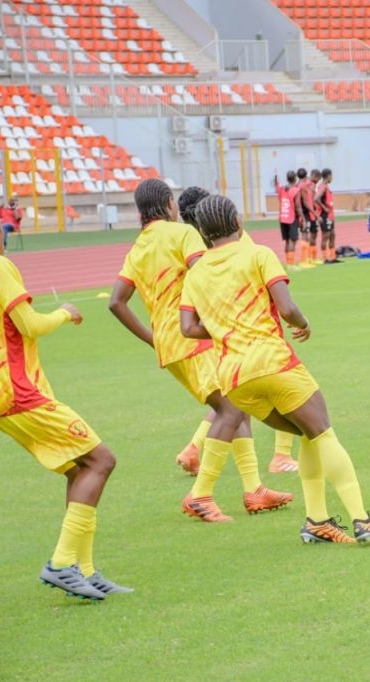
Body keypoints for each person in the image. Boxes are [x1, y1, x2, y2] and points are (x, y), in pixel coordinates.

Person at [180, 194, 370, 544]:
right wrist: (305, 324)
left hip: (234, 378)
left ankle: (317, 522)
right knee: (323, 432)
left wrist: (224, 329)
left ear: (203, 234)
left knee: (308, 433)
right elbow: (287, 308)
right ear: (237, 222)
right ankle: (361, 520)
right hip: (272, 362)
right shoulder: (259, 254)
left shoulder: (196, 272)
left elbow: (188, 328)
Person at [0, 197, 131, 600]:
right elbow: (29, 323)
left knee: (79, 468)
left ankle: (85, 569)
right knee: (101, 460)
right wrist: (65, 312)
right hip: (19, 391)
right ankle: (62, 564)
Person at [109, 179, 293, 523]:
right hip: (195, 338)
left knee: (235, 405)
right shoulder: (181, 234)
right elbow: (207, 274)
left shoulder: (137, 248)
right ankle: (200, 495)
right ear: (167, 204)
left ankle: (254, 489)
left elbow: (116, 303)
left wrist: (154, 338)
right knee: (233, 408)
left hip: (172, 344)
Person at [177, 186, 301, 473]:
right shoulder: (235, 238)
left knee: (232, 400)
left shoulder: (200, 245)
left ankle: (196, 449)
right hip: (251, 330)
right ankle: (281, 455)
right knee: (283, 389)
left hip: (212, 332)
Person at [275, 170, 300, 268]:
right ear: (295, 179)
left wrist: (276, 176)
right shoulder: (296, 190)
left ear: (287, 178)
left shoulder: (281, 189)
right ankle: (291, 264)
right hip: (291, 218)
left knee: (287, 241)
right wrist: (302, 218)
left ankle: (287, 263)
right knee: (292, 241)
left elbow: (276, 185)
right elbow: (298, 207)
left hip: (282, 218)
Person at [313, 168, 338, 264]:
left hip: (330, 216)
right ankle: (325, 258)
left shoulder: (326, 186)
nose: (332, 178)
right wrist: (324, 208)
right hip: (325, 215)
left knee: (332, 235)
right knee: (326, 236)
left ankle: (333, 257)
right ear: (328, 176)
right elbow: (316, 198)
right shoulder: (322, 187)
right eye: (331, 176)